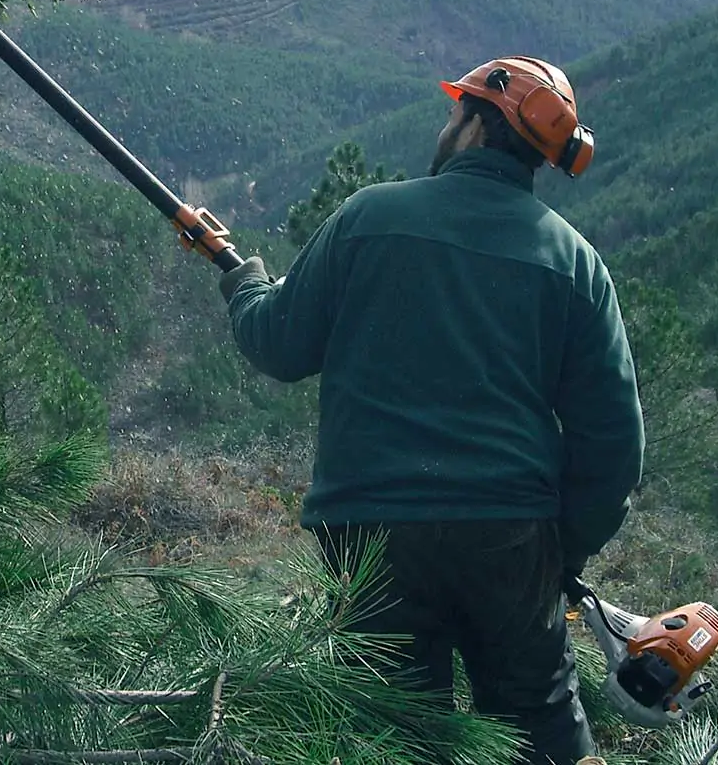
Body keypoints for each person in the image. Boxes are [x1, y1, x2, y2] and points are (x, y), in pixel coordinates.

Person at [218, 56, 644, 765]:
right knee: (539, 727)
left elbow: (279, 344)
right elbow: (614, 448)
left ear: (479, 127)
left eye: (456, 113)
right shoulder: (575, 263)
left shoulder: (369, 218)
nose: (447, 125)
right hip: (510, 535)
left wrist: (243, 281)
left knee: (394, 736)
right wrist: (559, 551)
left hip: (371, 532)